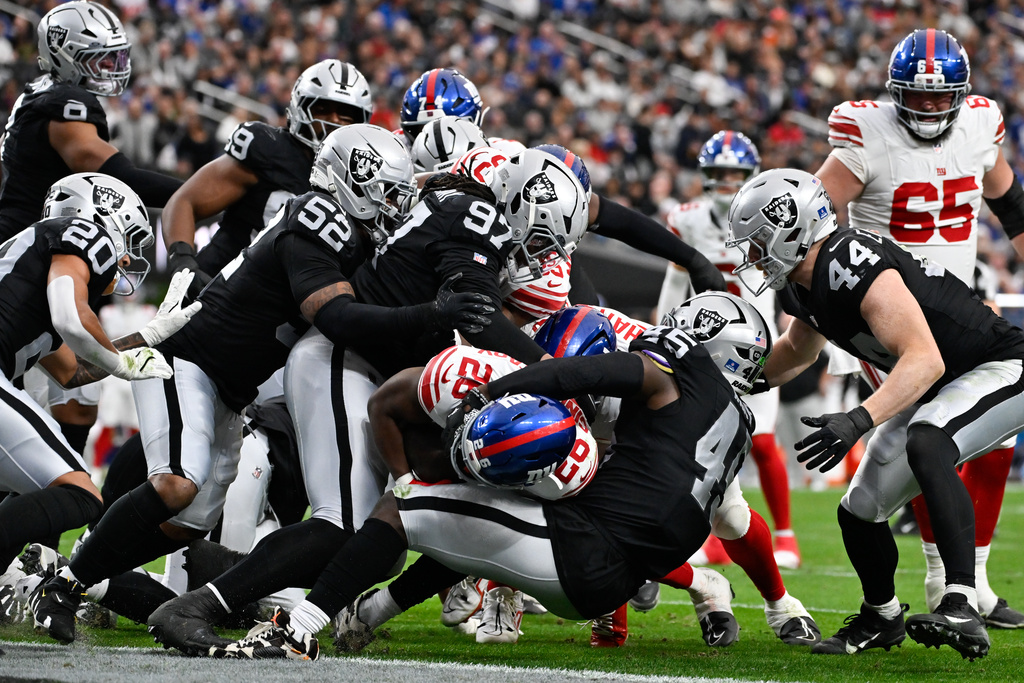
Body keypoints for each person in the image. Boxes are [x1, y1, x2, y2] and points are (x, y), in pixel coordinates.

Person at [29, 126, 492, 645]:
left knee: (189, 522)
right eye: (385, 191)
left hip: (230, 388)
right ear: (350, 181)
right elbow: (334, 314)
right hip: (189, 362)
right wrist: (430, 312)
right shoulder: (319, 219)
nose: (394, 205)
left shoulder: (350, 227)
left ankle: (88, 576)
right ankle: (66, 586)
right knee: (178, 481)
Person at [209, 291, 771, 660]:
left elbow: (591, 371)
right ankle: (368, 614)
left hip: (580, 552)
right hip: (610, 567)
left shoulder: (672, 375)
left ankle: (297, 629)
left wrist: (491, 392)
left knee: (404, 504)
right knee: (466, 517)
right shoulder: (736, 424)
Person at [727, 167, 1024, 661]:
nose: (753, 257)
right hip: (940, 383)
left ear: (792, 229)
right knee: (859, 508)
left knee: (928, 439)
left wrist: (857, 419)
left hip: (1000, 366)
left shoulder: (849, 260)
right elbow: (797, 352)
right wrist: (732, 379)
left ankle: (961, 603)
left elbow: (924, 358)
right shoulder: (800, 282)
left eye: (759, 242)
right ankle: (882, 616)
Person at [815, 28, 1024, 628]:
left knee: (990, 441)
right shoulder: (863, 131)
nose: (930, 106)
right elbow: (812, 215)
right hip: (892, 314)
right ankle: (942, 580)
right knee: (930, 441)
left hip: (960, 304)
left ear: (961, 94)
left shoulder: (983, 124)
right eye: (919, 96)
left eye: (941, 97)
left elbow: (1009, 204)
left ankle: (975, 582)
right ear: (894, 90)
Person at [0, 1, 184, 471]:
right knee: (41, 405)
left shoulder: (42, 93)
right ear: (64, 55)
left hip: (48, 255)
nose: (112, 69)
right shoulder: (63, 102)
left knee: (77, 397)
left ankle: (38, 532)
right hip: (36, 264)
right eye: (100, 59)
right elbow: (111, 171)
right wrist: (196, 192)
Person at [0, 173, 184, 621]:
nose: (128, 254)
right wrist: (124, 365)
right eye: (131, 237)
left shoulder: (28, 270)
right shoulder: (78, 232)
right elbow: (70, 316)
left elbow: (72, 371)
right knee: (82, 494)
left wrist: (147, 337)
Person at [657, 130, 800, 569]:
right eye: (717, 173)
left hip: (757, 347)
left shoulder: (771, 217)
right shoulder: (688, 219)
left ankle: (786, 536)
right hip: (703, 348)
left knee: (763, 441)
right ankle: (713, 538)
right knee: (706, 445)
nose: (724, 181)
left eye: (734, 174)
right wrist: (660, 333)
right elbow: (674, 285)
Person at [162, 59, 373, 291]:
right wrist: (182, 262)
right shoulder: (269, 149)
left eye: (346, 114)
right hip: (217, 290)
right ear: (299, 108)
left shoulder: (364, 180)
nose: (333, 121)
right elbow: (185, 201)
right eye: (321, 109)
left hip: (287, 313)